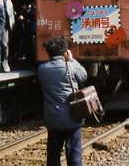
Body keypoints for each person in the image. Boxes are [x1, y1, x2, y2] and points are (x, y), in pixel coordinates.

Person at [37, 37, 87, 166]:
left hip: (52, 119)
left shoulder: (42, 69)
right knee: (74, 154)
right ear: (65, 52)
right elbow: (84, 76)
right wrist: (72, 60)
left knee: (53, 154)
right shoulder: (71, 66)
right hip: (72, 116)